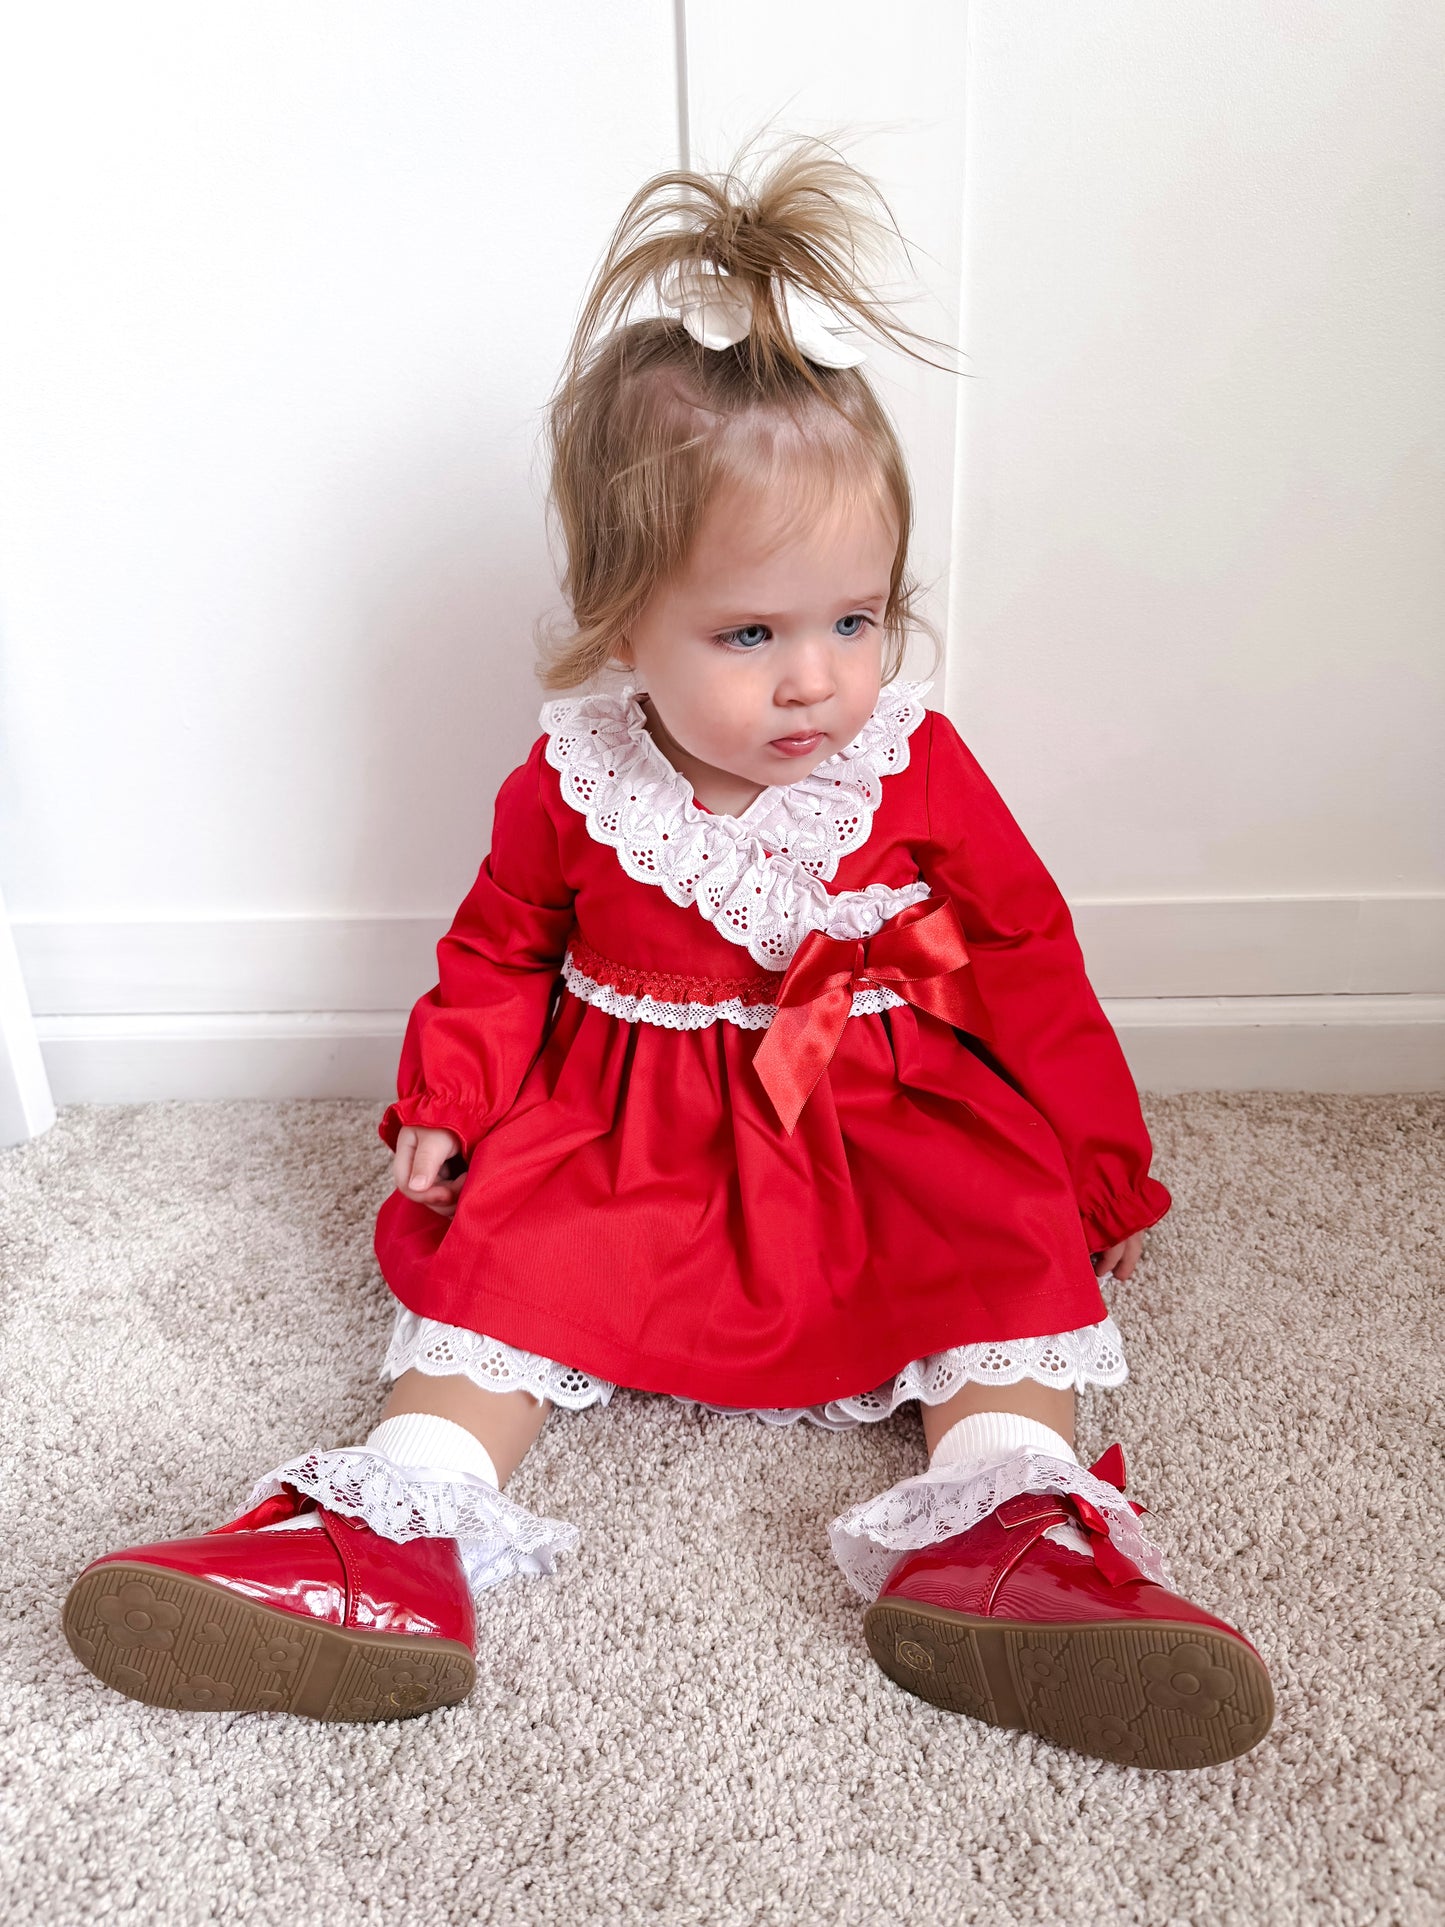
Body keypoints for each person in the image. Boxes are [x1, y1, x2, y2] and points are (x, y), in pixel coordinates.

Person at [63, 141, 1273, 1768]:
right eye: (749, 634)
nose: (812, 683)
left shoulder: (907, 764)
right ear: (618, 620)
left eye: (854, 621)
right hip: (630, 1128)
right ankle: (384, 1534)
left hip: (872, 1104)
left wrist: (1090, 1158)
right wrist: (452, 1101)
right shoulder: (574, 781)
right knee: (511, 1262)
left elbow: (1021, 955)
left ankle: (1014, 1539)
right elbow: (496, 954)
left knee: (993, 1249)